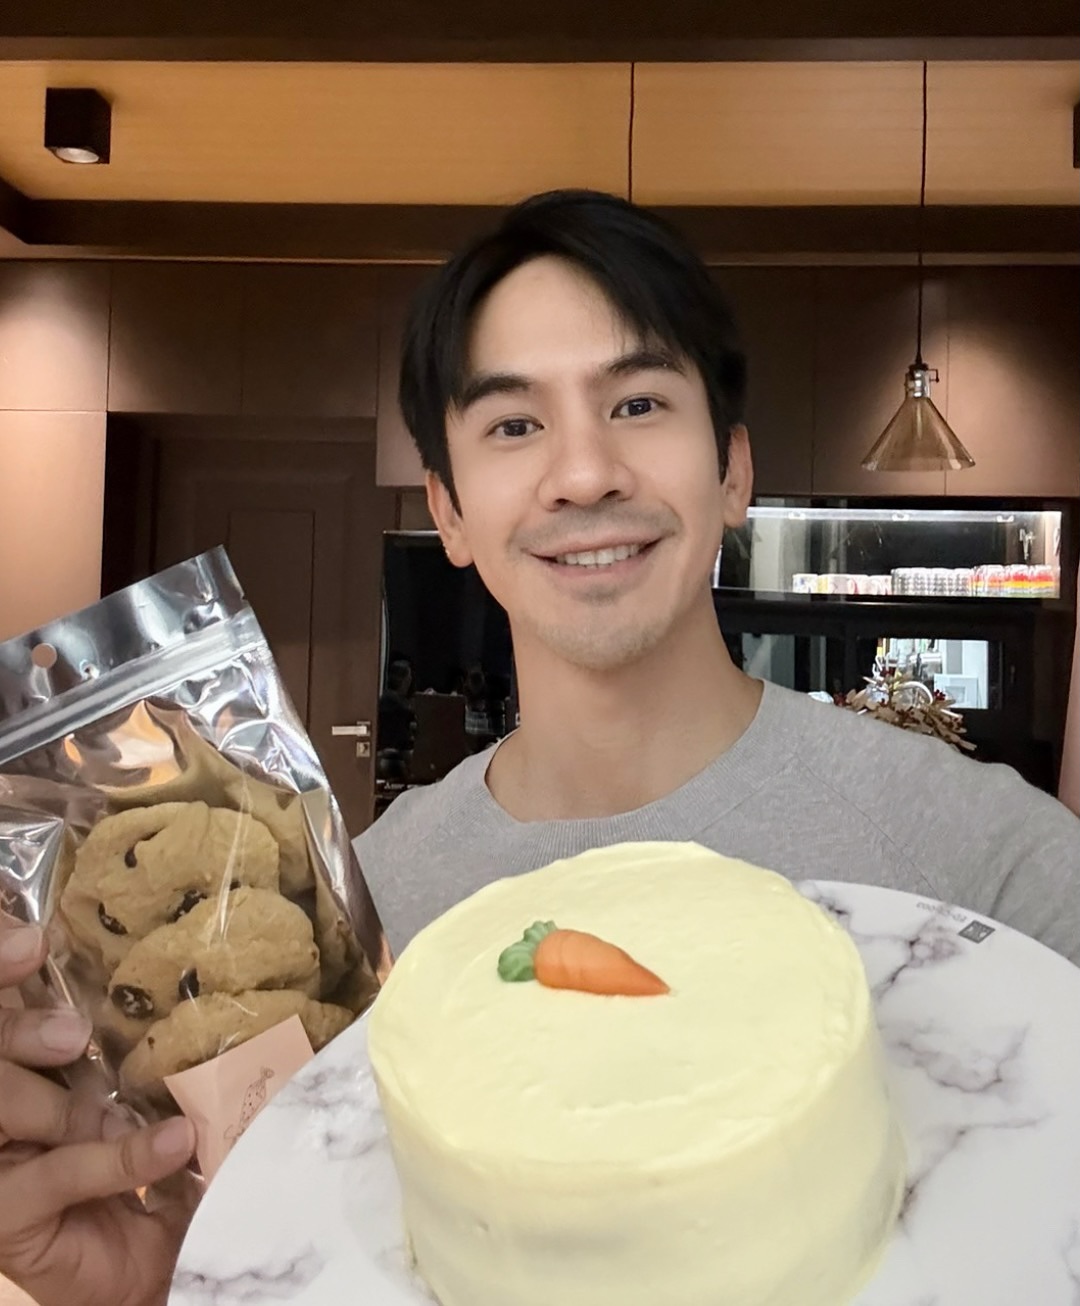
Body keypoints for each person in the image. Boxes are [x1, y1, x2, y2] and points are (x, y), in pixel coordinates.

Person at [0, 189, 1077, 1306]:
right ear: (449, 511)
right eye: (514, 425)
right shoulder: (363, 932)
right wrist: (170, 1281)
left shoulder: (992, 869)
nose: (584, 472)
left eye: (639, 402)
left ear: (733, 471)